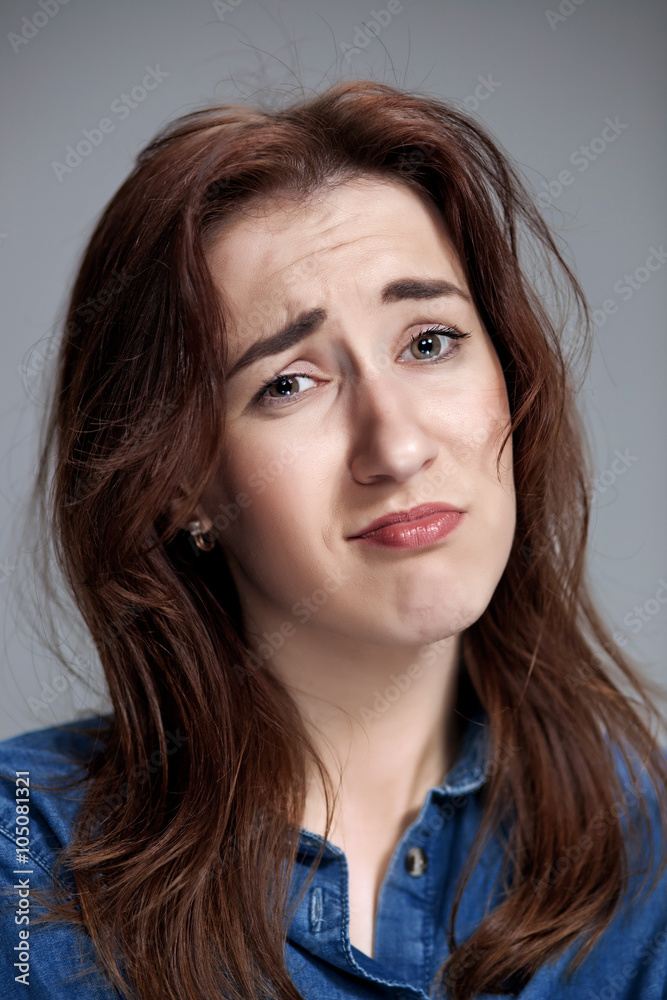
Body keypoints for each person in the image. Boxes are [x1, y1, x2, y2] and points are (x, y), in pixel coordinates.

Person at [0, 79, 666, 1000]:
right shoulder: (23, 862)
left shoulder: (651, 855)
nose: (395, 446)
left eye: (429, 341)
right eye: (288, 383)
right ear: (176, 488)